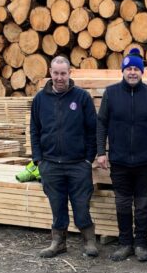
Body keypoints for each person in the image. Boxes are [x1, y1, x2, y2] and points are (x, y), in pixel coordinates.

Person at [30, 56, 98, 258]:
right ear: (50, 72)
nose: (59, 77)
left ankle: (89, 241)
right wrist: (38, 160)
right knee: (57, 206)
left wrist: (88, 159)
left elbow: (92, 130)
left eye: (63, 73)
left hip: (78, 164)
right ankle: (58, 242)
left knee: (81, 206)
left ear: (70, 72)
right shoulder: (40, 99)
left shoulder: (82, 98)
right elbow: (34, 130)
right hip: (50, 164)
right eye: (56, 73)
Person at [96, 48, 147, 262]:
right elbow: (101, 123)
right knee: (122, 204)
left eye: (136, 68)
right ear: (123, 71)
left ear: (142, 72)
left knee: (142, 205)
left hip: (143, 161)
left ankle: (141, 243)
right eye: (129, 68)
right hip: (119, 160)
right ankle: (125, 244)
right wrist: (101, 152)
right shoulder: (111, 93)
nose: (132, 72)